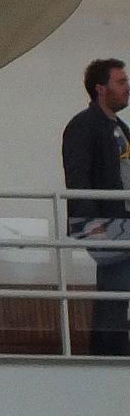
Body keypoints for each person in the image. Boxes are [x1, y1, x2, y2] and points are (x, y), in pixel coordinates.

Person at [62, 58, 130, 355]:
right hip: (106, 220)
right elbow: (78, 175)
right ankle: (108, 351)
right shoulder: (83, 126)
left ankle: (113, 347)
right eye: (121, 82)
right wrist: (91, 223)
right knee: (116, 281)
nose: (127, 87)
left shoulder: (120, 127)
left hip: (121, 219)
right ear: (100, 89)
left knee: (119, 282)